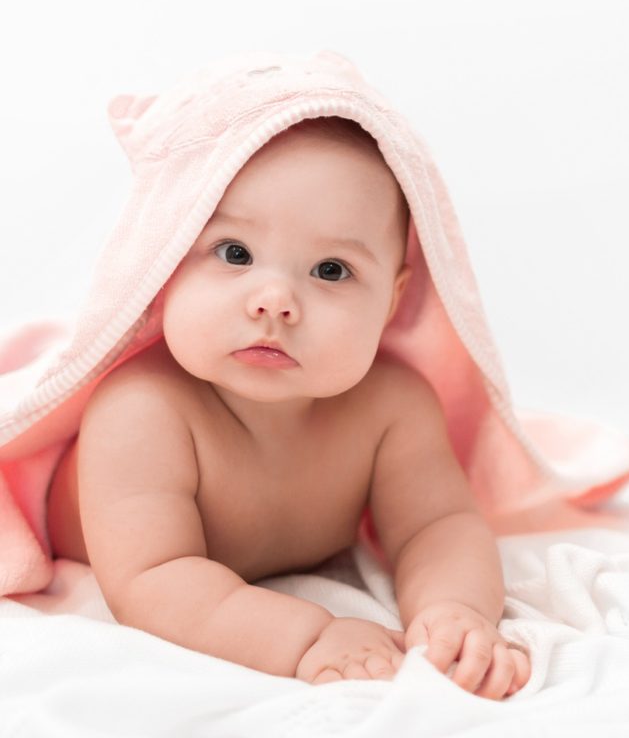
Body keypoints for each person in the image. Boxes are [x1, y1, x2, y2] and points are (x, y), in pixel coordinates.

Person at [44, 114, 531, 701]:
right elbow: (152, 581)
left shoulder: (391, 407)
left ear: (391, 299)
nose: (275, 302)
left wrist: (455, 609)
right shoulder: (142, 412)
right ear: (165, 266)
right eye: (234, 252)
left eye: (331, 270)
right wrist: (307, 637)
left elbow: (439, 524)